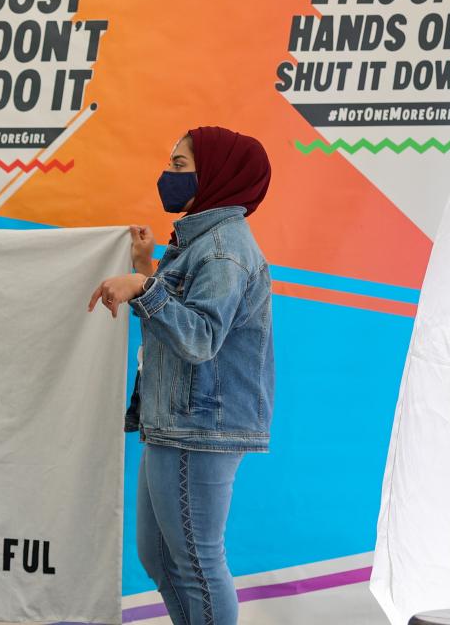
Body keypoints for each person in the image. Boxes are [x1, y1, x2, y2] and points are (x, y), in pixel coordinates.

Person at [89, 126, 274, 625]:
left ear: (215, 175)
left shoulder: (222, 250)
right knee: (161, 558)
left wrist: (144, 286)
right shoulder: (201, 241)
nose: (166, 175)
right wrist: (148, 268)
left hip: (201, 428)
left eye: (178, 165)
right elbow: (186, 312)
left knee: (196, 560)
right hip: (174, 421)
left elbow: (200, 337)